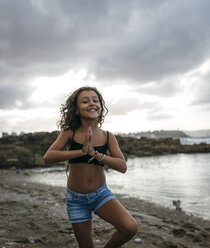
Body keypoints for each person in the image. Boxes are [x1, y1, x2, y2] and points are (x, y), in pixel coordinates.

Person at [44, 86, 138, 248]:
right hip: (76, 199)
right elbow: (48, 157)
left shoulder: (108, 136)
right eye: (85, 101)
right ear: (76, 109)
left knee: (130, 227)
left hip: (101, 195)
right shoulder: (69, 133)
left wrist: (96, 154)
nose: (91, 104)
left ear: (101, 107)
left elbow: (122, 166)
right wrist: (81, 152)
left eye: (95, 100)